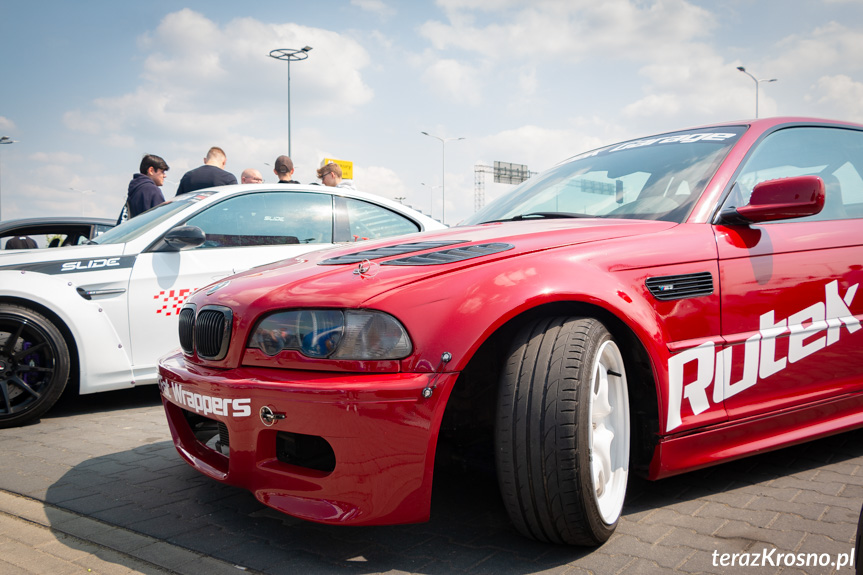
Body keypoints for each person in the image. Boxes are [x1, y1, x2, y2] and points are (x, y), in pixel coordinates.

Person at [126, 154, 169, 219]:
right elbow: (161, 220)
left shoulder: (135, 189)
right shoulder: (153, 190)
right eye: (162, 172)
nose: (165, 176)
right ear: (151, 171)